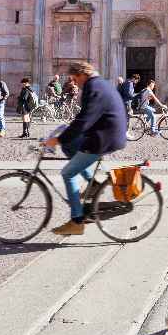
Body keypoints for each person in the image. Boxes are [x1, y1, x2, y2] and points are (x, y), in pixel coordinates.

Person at [44, 61, 128, 236]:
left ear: (82, 75)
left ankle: (77, 221)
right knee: (69, 145)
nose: (74, 83)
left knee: (68, 173)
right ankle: (93, 184)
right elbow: (84, 118)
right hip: (107, 133)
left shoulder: (93, 87)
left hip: (104, 138)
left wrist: (58, 139)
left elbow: (85, 121)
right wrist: (65, 138)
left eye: (75, 79)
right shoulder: (100, 83)